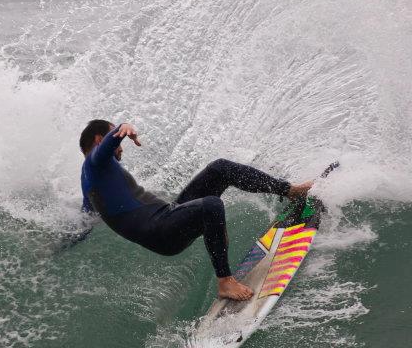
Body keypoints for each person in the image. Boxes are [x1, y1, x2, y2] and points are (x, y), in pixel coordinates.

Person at [79, 119, 313, 300]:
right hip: (160, 232)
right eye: (113, 138)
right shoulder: (95, 162)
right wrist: (123, 127)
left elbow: (88, 216)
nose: (120, 147)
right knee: (211, 206)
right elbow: (107, 145)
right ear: (100, 140)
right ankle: (225, 281)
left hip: (168, 215)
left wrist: (72, 237)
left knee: (219, 169)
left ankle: (291, 191)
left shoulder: (91, 179)